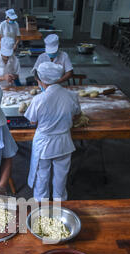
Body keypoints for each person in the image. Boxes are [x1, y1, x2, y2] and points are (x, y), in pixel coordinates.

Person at [24, 61, 81, 201]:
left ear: (42, 80)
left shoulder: (39, 99)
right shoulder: (71, 95)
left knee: (42, 175)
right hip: (64, 143)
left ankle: (41, 204)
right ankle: (59, 203)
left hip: (44, 145)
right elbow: (77, 114)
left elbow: (32, 121)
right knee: (61, 177)